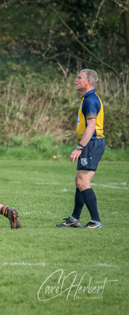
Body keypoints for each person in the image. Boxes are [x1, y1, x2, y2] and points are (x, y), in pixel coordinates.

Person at [57, 69, 105, 229]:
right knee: (80, 182)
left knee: (82, 182)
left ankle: (96, 221)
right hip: (90, 144)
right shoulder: (87, 99)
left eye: (79, 78)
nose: (76, 80)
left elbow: (91, 127)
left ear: (88, 82)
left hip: (92, 144)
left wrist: (79, 148)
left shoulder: (91, 100)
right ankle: (75, 218)